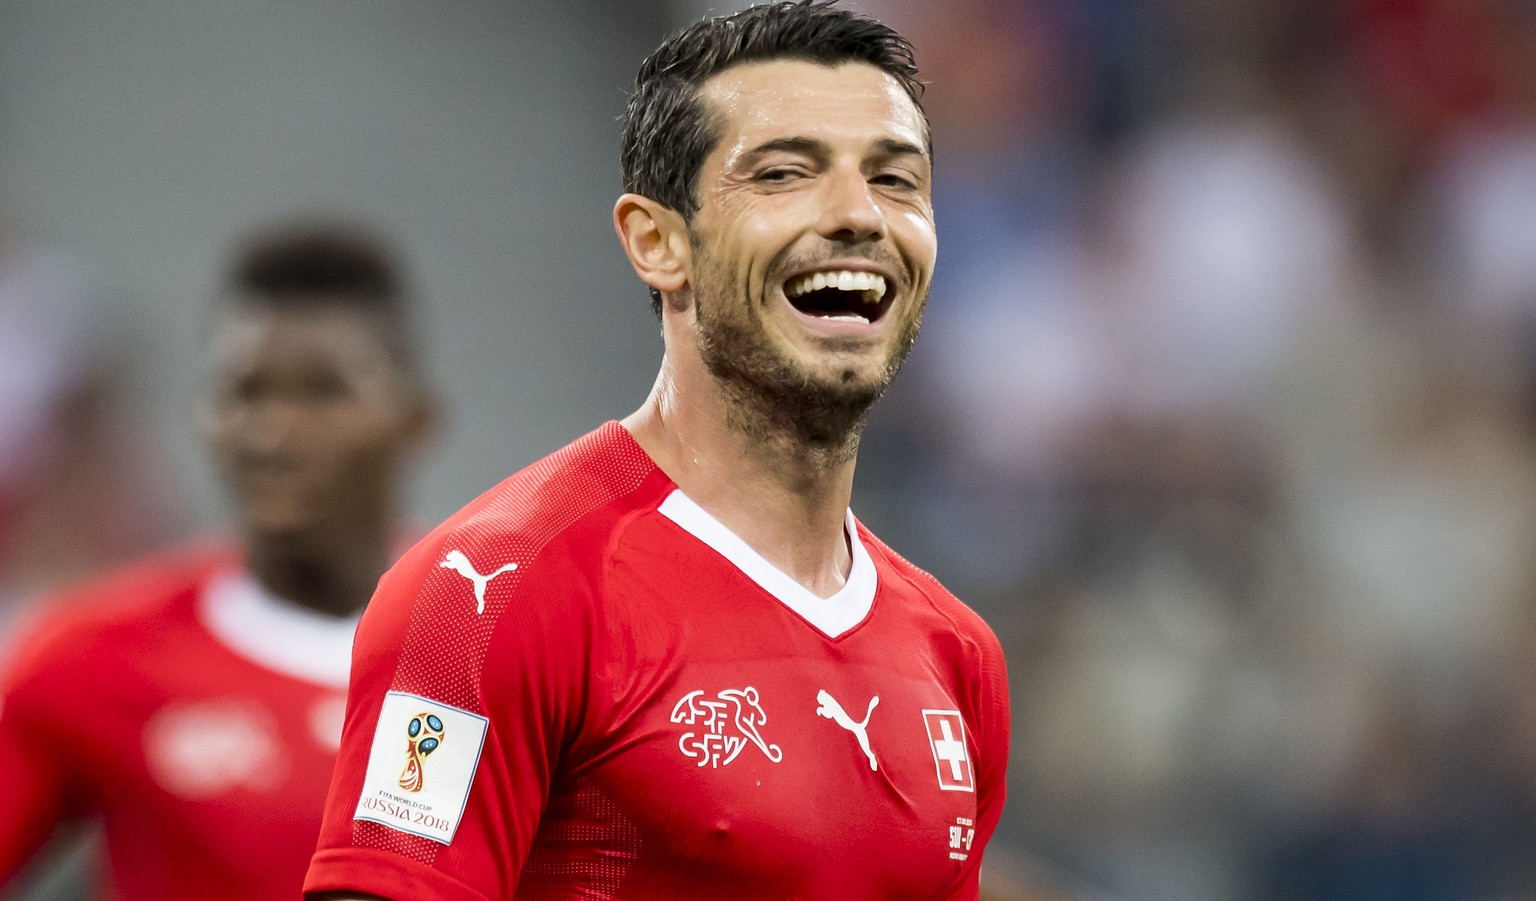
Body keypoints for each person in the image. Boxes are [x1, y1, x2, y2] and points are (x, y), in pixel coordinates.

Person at [304, 2, 1010, 898]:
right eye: (786, 173)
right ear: (657, 242)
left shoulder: (957, 654)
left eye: (897, 180)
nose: (859, 216)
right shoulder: (492, 591)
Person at [0, 222, 436, 900]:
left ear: (414, 420)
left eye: (321, 393)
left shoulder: (516, 642)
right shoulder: (92, 654)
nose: (271, 432)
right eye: (245, 391)